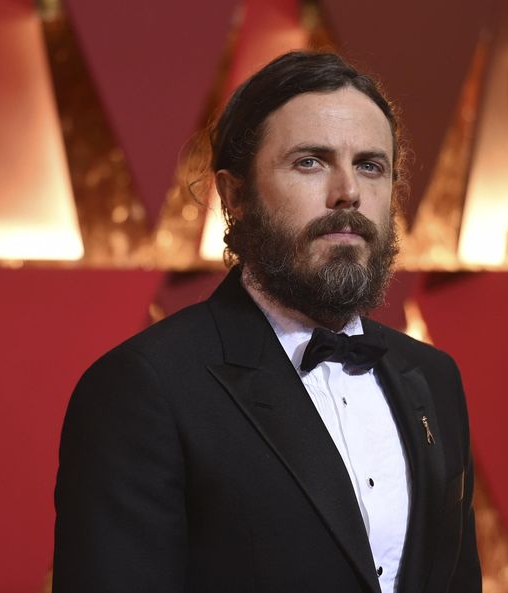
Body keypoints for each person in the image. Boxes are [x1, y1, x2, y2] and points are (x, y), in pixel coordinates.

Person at [53, 51, 481, 593]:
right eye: (310, 162)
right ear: (236, 197)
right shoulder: (144, 388)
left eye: (370, 165)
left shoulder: (434, 378)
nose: (348, 191)